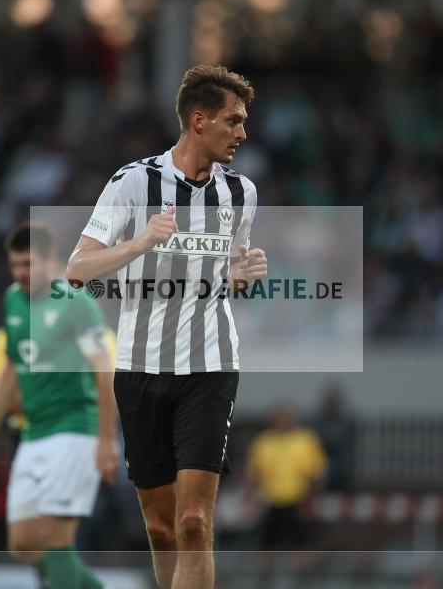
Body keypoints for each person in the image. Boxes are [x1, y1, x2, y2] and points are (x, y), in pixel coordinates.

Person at [66, 64, 268, 589]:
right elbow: (77, 269)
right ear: (198, 120)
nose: (243, 133)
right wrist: (139, 243)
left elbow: (222, 279)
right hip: (139, 369)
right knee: (159, 528)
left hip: (210, 367)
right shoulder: (134, 182)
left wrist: (241, 277)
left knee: (195, 523)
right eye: (234, 120)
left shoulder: (241, 193)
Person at [0, 222, 120, 589]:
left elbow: (105, 373)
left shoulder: (76, 303)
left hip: (74, 430)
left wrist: (105, 440)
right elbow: (11, 366)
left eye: (29, 264)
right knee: (22, 544)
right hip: (33, 432)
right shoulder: (13, 301)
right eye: (16, 264)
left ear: (51, 261)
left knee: (56, 539)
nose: (22, 273)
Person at [246, 406, 327, 550]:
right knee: (267, 545)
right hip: (270, 502)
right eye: (279, 419)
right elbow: (254, 474)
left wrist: (312, 498)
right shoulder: (264, 442)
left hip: (299, 500)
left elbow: (317, 472)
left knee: (301, 544)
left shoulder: (306, 440)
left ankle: (300, 571)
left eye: (285, 419)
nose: (282, 423)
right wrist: (254, 499)